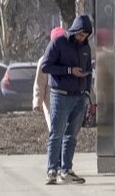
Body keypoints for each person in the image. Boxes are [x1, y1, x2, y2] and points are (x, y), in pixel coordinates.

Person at [38, 14, 95, 185]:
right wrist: (70, 71)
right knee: (57, 133)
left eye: (85, 36)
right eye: (80, 35)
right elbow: (46, 66)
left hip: (79, 97)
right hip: (60, 95)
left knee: (72, 136)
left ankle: (66, 170)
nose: (81, 38)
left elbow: (88, 70)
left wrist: (87, 93)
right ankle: (51, 170)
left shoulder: (85, 47)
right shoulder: (58, 43)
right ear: (74, 30)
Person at [32, 27, 65, 130]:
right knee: (54, 129)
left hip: (67, 101)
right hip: (50, 103)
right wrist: (37, 101)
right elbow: (39, 83)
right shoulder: (44, 61)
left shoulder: (69, 58)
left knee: (65, 132)